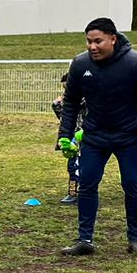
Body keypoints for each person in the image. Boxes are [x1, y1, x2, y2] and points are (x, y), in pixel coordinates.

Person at [56, 17, 137, 255]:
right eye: (88, 42)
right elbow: (71, 102)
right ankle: (85, 240)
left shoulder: (136, 62)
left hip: (128, 137)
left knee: (132, 185)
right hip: (94, 136)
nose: (92, 47)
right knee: (87, 185)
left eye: (98, 41)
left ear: (113, 39)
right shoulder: (80, 64)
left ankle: (135, 239)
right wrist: (65, 136)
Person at [51, 72, 84, 204]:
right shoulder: (64, 101)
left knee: (85, 165)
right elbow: (62, 117)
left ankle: (86, 190)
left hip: (86, 136)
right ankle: (72, 192)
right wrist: (57, 104)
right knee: (72, 165)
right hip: (71, 137)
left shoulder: (87, 99)